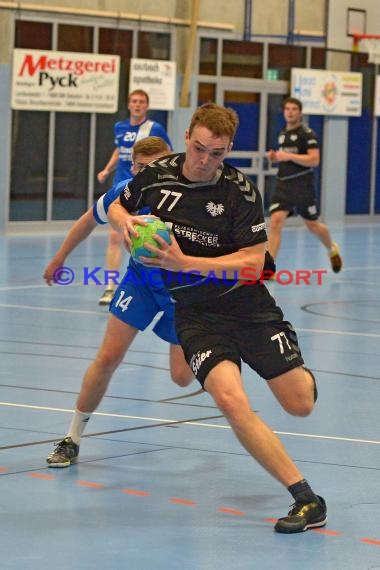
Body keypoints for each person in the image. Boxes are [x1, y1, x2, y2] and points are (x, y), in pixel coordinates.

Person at [107, 102, 327, 534]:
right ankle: (306, 499)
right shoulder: (157, 174)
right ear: (188, 136)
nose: (206, 161)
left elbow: (252, 261)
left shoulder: (239, 192)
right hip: (195, 315)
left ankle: (299, 372)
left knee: (299, 404)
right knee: (230, 400)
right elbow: (117, 205)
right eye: (199, 148)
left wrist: (182, 261)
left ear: (228, 150)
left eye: (218, 153)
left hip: (247, 306)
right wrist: (127, 224)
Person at [45, 137, 194, 469]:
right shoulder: (127, 192)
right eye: (139, 168)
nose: (144, 174)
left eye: (152, 167)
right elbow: (87, 221)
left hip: (182, 292)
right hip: (140, 282)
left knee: (182, 377)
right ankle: (72, 439)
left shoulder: (190, 197)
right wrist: (59, 258)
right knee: (108, 356)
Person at [96, 89, 173, 306]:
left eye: (141, 102)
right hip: (124, 185)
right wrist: (107, 169)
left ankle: (154, 283)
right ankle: (110, 287)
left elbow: (167, 154)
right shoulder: (119, 127)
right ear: (129, 105)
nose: (137, 105)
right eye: (134, 101)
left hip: (146, 190)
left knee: (144, 235)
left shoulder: (154, 129)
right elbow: (118, 150)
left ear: (146, 106)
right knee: (114, 237)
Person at [267, 96, 342, 273]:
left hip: (303, 187)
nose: (290, 112)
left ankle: (332, 249)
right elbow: (286, 158)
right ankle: (268, 268)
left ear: (300, 113)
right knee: (276, 222)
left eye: (294, 109)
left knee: (312, 225)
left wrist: (288, 156)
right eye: (287, 109)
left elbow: (314, 160)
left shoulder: (307, 134)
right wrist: (275, 157)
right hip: (283, 185)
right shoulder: (283, 134)